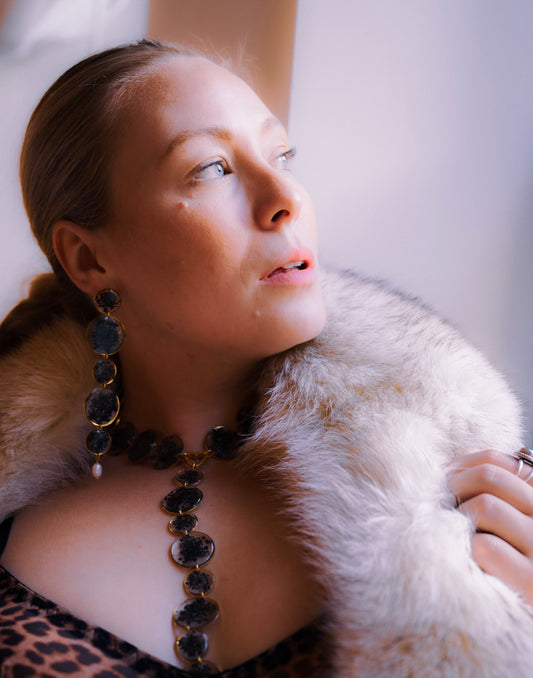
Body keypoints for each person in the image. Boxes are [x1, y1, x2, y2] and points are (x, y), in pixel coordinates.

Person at [0, 38, 531, 678]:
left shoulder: (465, 484)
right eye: (212, 168)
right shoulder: (15, 518)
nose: (286, 197)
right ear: (90, 258)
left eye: (282, 155)